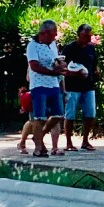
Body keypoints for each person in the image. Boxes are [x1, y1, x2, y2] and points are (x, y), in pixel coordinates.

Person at [23, 20, 69, 157]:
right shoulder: (33, 46)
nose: (55, 38)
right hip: (39, 84)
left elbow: (54, 61)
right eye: (53, 35)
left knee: (58, 114)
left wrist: (60, 65)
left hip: (53, 84)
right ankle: (38, 148)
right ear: (44, 33)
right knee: (40, 117)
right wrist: (53, 72)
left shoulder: (52, 44)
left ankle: (39, 136)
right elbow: (34, 66)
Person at [61, 24, 99, 152]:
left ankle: (85, 141)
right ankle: (68, 142)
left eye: (89, 36)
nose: (88, 38)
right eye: (85, 36)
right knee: (70, 114)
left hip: (88, 85)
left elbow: (94, 64)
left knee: (90, 113)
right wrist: (75, 73)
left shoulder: (91, 48)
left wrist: (96, 72)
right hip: (72, 86)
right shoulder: (69, 48)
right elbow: (62, 68)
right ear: (79, 35)